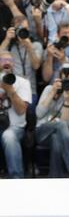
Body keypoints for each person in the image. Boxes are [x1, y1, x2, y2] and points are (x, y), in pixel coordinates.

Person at [36, 67, 69, 177]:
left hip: (57, 135)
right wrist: (53, 93)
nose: (67, 82)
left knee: (56, 139)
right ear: (60, 80)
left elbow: (66, 125)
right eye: (65, 80)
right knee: (60, 126)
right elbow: (39, 113)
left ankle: (54, 177)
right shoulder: (49, 89)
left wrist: (67, 102)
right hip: (41, 131)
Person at [0, 50, 31, 178]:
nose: (7, 63)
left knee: (9, 136)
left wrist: (11, 92)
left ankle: (17, 180)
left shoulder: (23, 82)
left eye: (10, 60)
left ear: (13, 63)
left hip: (15, 126)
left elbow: (21, 110)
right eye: (3, 60)